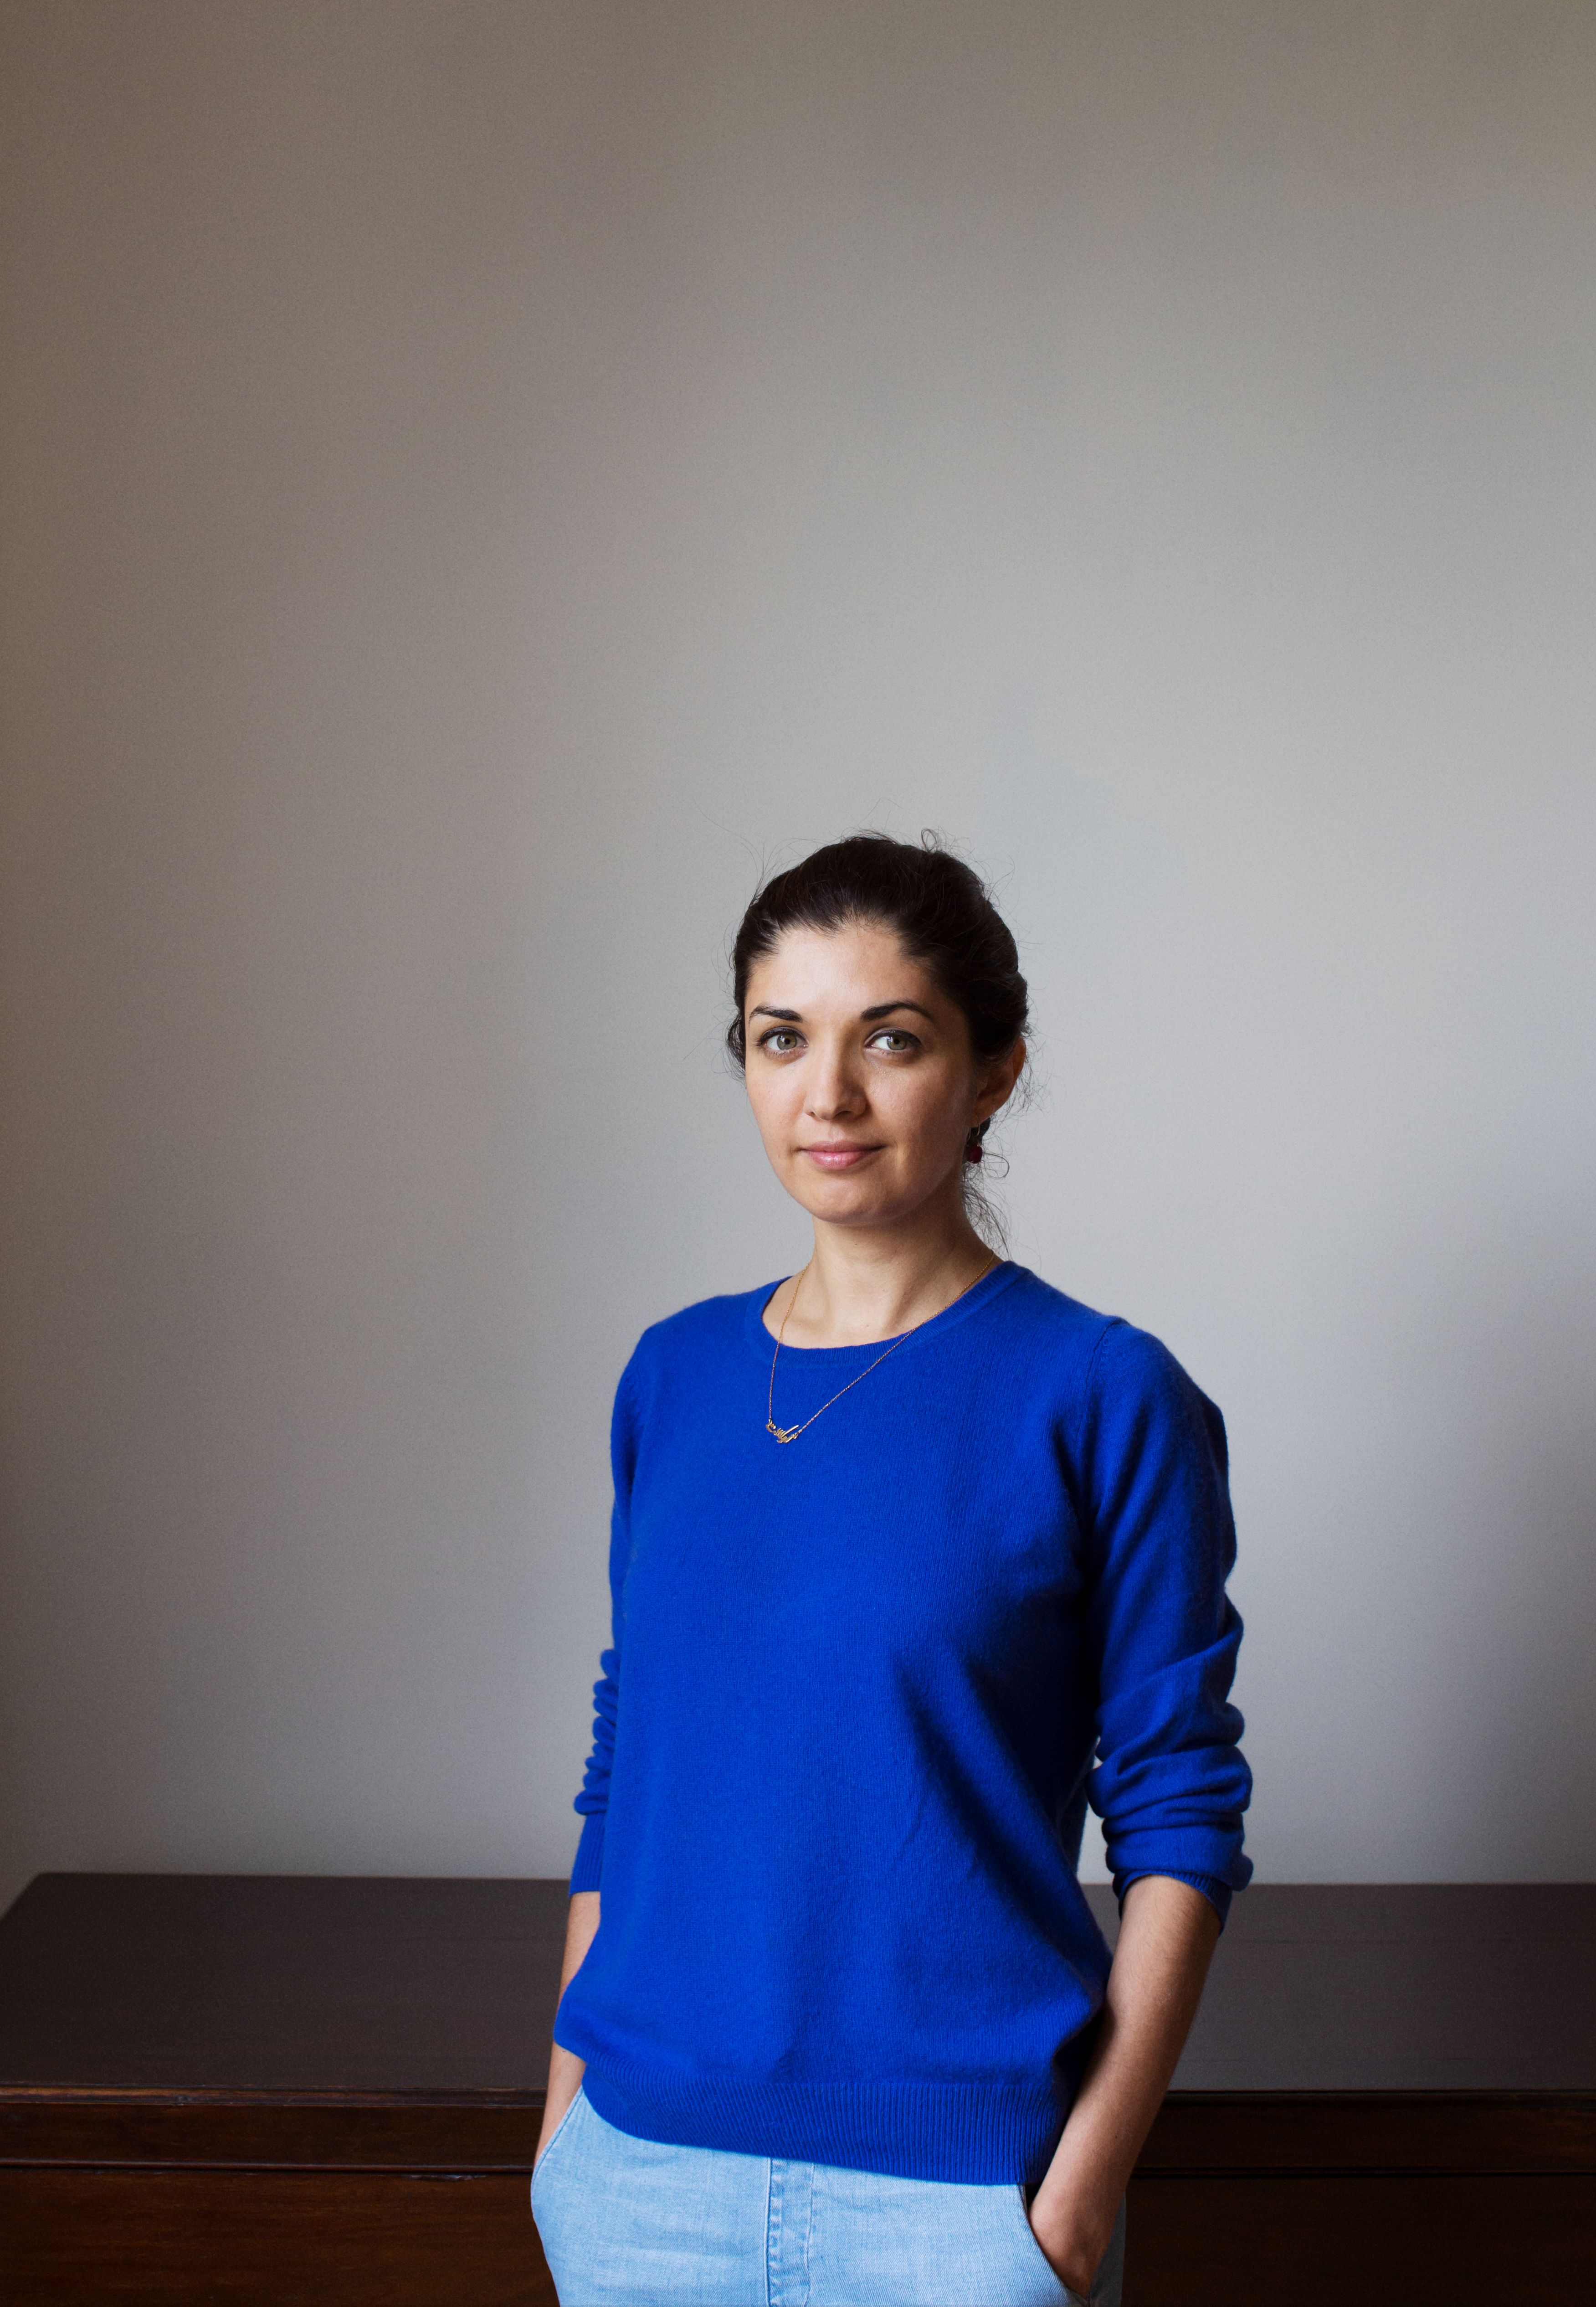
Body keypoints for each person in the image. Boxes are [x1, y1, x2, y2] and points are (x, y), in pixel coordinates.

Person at [529, 833, 1252, 2307]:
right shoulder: (672, 1377)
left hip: (958, 2213)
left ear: (992, 1073)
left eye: (892, 1038)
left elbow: (1178, 1808)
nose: (828, 1094)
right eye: (781, 1037)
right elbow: (627, 1762)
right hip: (638, 2190)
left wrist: (1073, 2198)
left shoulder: (1100, 1394)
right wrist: (565, 2136)